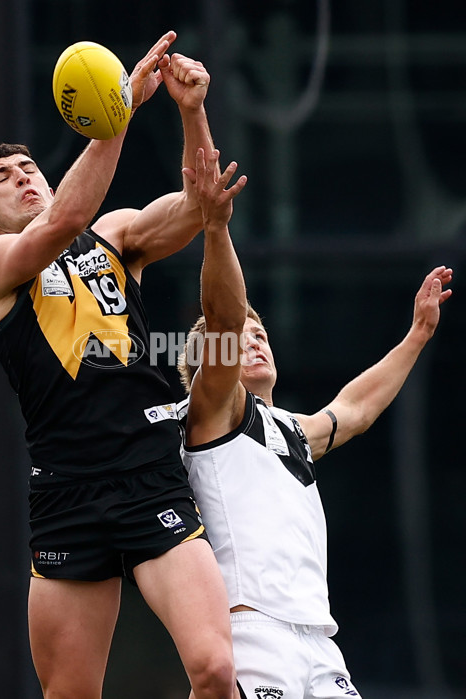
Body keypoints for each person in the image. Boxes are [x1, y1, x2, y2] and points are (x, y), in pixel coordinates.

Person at [0, 33, 241, 699]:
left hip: (150, 475)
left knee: (215, 669)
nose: (22, 176)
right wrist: (118, 110)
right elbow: (60, 224)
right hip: (67, 488)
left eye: (29, 167)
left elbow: (201, 206)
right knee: (70, 693)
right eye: (2, 178)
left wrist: (190, 110)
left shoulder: (114, 234)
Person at [177, 148, 453, 699]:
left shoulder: (291, 431)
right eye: (235, 337)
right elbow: (226, 314)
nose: (251, 339)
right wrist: (216, 228)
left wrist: (417, 335)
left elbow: (355, 409)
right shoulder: (212, 416)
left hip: (319, 639)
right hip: (254, 630)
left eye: (260, 334)